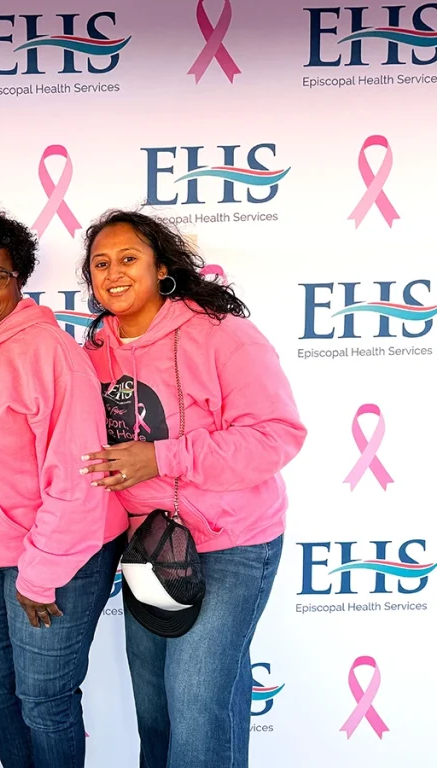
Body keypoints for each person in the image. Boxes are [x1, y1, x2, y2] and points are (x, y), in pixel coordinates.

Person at [78, 210, 306, 768]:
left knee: (197, 705)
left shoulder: (221, 334)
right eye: (100, 264)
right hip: (147, 550)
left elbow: (277, 436)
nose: (114, 273)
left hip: (230, 544)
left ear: (161, 268)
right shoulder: (92, 355)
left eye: (129, 258)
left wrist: (160, 457)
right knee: (157, 711)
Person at [0, 208, 127, 768]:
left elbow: (81, 474)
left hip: (52, 558)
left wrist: (40, 576)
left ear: (21, 280)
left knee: (44, 700)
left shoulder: (48, 351)